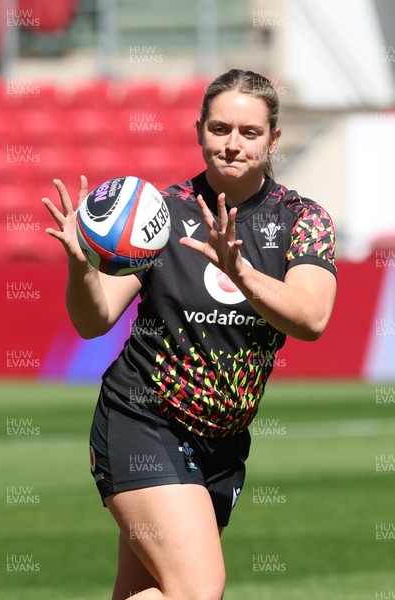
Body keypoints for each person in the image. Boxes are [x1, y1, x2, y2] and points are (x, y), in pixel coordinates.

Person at [42, 69, 337, 600]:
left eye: (249, 132)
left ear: (274, 139)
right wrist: (81, 267)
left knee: (149, 589)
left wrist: (240, 271)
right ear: (199, 130)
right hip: (141, 419)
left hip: (221, 442)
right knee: (197, 589)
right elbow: (94, 321)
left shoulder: (303, 219)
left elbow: (312, 318)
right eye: (219, 128)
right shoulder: (160, 213)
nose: (231, 143)